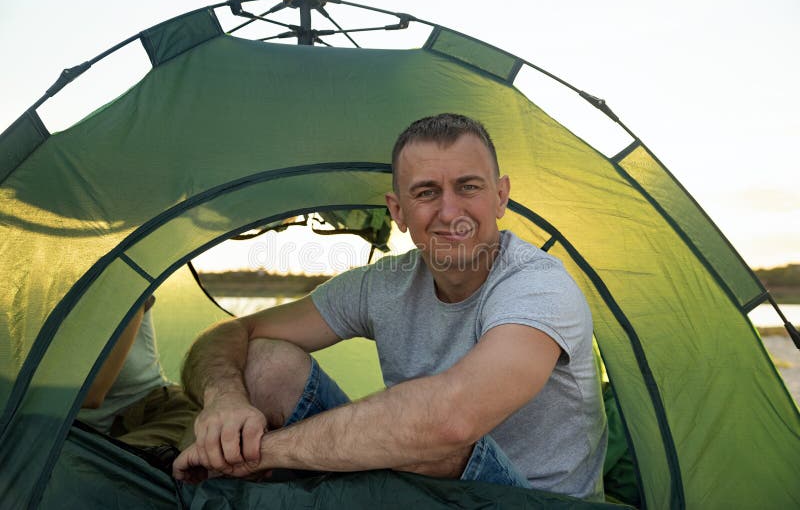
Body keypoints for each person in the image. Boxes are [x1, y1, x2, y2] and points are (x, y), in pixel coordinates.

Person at [173, 114, 607, 500]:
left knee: (419, 432)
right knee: (266, 362)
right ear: (398, 211)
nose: (450, 211)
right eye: (426, 192)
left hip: (536, 501)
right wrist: (223, 400)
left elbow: (450, 422)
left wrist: (260, 453)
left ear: (500, 197)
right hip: (425, 489)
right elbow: (228, 335)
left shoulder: (538, 284)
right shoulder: (384, 285)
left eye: (468, 187)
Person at [78, 295, 198, 449]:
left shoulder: (121, 283)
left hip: (160, 410)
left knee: (114, 462)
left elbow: (91, 393)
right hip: (87, 434)